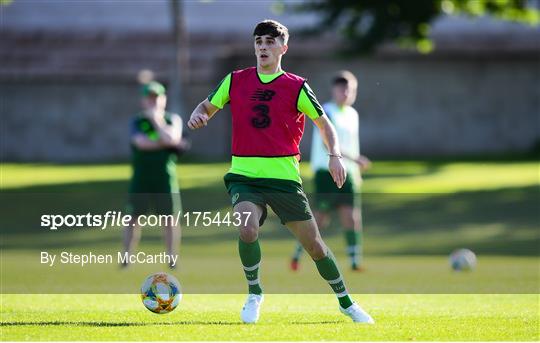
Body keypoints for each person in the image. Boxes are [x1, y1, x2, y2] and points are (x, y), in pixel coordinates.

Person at [187, 20, 374, 324]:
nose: (263, 47)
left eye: (270, 42)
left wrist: (335, 156)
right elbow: (206, 107)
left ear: (283, 48)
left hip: (285, 180)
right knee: (247, 227)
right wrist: (198, 115)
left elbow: (325, 124)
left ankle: (346, 302)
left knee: (315, 246)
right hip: (244, 176)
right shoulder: (235, 80)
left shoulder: (296, 86)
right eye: (259, 41)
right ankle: (254, 293)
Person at [290, 71, 371, 272]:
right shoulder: (326, 111)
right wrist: (355, 159)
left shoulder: (353, 115)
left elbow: (353, 144)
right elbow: (328, 144)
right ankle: (298, 254)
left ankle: (354, 261)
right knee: (319, 218)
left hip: (349, 173)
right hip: (326, 172)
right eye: (341, 88)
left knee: (352, 217)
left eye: (350, 89)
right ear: (334, 90)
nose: (345, 93)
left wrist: (355, 170)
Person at [122, 81, 182, 269]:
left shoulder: (173, 119)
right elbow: (141, 144)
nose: (153, 102)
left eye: (157, 98)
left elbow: (173, 138)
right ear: (143, 100)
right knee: (132, 219)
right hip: (141, 177)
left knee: (170, 219)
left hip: (165, 178)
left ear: (164, 99)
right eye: (149, 98)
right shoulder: (137, 121)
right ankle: (126, 258)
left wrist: (157, 120)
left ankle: (172, 259)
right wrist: (165, 142)